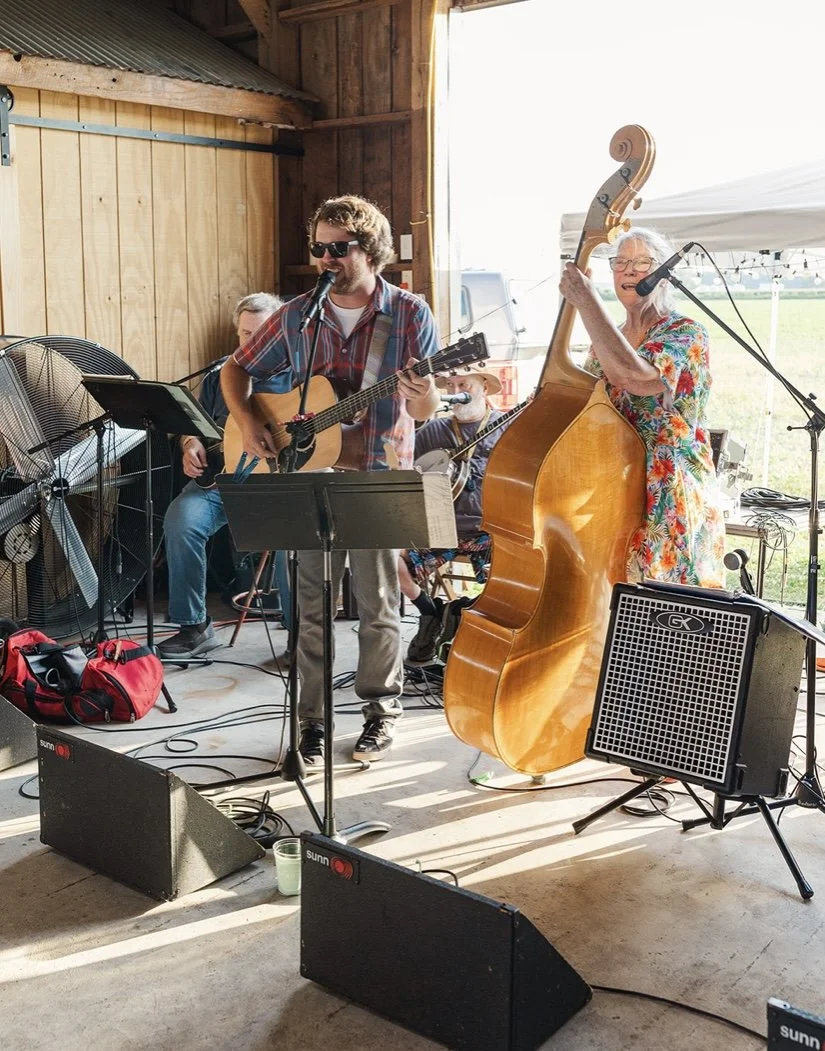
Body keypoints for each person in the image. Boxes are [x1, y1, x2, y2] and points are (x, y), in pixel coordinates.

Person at [221, 195, 440, 764]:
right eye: (318, 248)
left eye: (336, 248)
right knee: (312, 607)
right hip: (306, 473)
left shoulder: (410, 314)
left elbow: (423, 412)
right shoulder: (298, 314)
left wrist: (423, 394)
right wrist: (249, 422)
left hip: (375, 472)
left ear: (369, 251)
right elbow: (236, 369)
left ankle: (379, 713)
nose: (324, 258)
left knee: (378, 605)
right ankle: (312, 722)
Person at [558, 227, 725, 586]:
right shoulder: (607, 340)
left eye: (642, 262)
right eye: (620, 263)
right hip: (615, 487)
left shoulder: (684, 332)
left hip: (669, 491)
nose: (629, 271)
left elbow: (634, 377)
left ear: (663, 275)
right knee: (621, 604)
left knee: (669, 612)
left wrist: (587, 303)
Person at [159, 293, 294, 660]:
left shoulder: (299, 374)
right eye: (243, 334)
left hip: (277, 484)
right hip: (223, 481)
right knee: (182, 518)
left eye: (259, 334)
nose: (250, 344)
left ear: (281, 331)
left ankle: (301, 636)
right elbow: (194, 424)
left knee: (294, 535)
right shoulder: (223, 372)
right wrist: (189, 444)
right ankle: (194, 628)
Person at [401, 363, 512, 665]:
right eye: (451, 387)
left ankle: (461, 611)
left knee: (521, 575)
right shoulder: (434, 430)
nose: (456, 392)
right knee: (385, 559)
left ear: (484, 388)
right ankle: (430, 613)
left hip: (491, 533)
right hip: (441, 531)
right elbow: (409, 472)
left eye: (465, 385)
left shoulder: (509, 428)